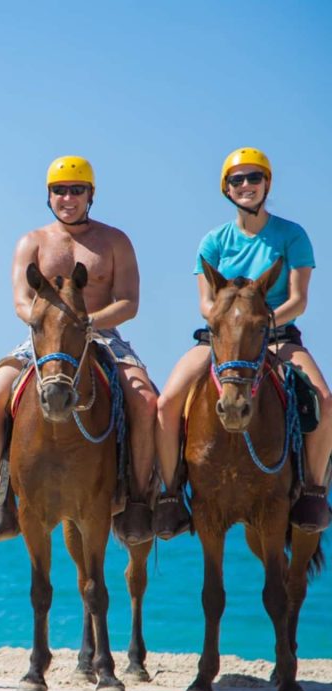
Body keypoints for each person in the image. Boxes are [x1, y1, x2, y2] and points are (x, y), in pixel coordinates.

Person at [0, 156, 158, 547]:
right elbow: (22, 301)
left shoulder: (115, 241)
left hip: (102, 333)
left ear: (91, 195)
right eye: (60, 190)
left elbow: (129, 301)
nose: (68, 197)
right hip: (42, 339)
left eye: (77, 190)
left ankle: (139, 500)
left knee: (146, 404)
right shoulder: (32, 242)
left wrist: (88, 322)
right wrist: (48, 322)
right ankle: (4, 499)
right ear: (49, 196)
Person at [154, 147, 332, 538]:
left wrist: (262, 325)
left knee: (322, 397)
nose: (246, 185)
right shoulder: (213, 242)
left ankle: (314, 492)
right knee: (166, 403)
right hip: (221, 338)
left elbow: (298, 299)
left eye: (254, 178)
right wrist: (231, 326)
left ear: (267, 183)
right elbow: (205, 303)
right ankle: (169, 496)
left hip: (277, 335)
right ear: (227, 189)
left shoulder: (292, 235)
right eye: (238, 180)